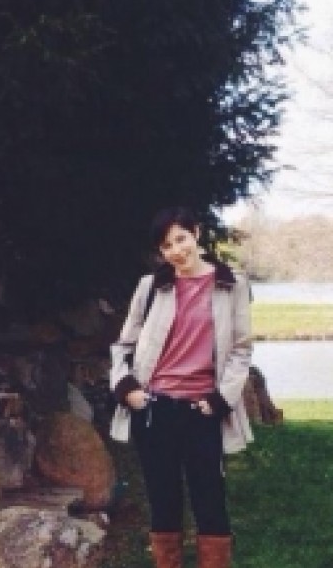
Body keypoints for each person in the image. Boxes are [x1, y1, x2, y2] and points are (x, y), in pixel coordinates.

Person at [110, 207, 254, 568]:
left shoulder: (231, 285)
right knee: (164, 503)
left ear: (196, 235)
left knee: (211, 504)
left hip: (202, 411)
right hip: (154, 410)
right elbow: (123, 346)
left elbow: (240, 350)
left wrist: (221, 399)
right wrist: (126, 388)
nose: (176, 250)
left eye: (180, 239)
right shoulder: (151, 288)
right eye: (166, 246)